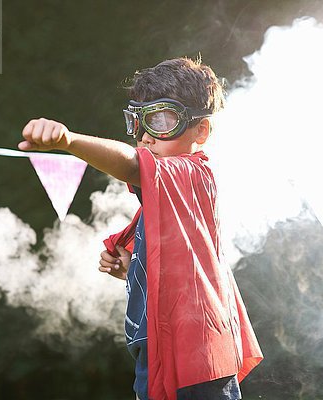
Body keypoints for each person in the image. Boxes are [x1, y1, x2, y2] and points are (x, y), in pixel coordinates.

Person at [19, 57, 263, 400]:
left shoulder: (194, 173)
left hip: (196, 359)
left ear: (201, 131)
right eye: (139, 122)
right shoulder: (167, 192)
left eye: (162, 120)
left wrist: (68, 140)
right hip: (163, 356)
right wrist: (133, 268)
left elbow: (133, 165)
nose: (147, 137)